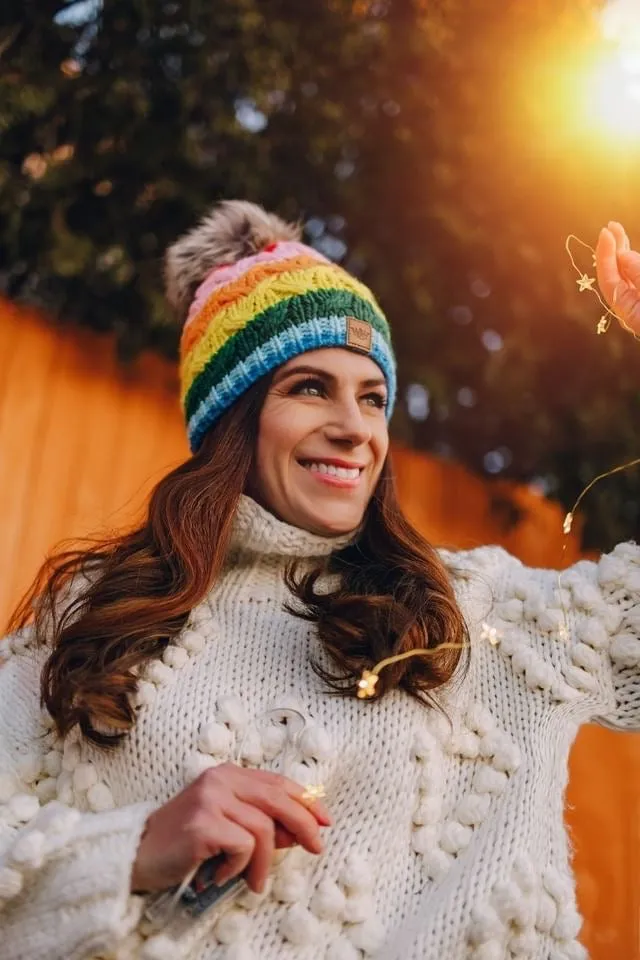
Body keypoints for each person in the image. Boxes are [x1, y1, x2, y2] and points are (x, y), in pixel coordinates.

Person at [0, 203, 638, 960]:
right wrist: (129, 848)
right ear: (233, 417)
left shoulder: (477, 612)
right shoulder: (97, 612)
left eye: (372, 397)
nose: (354, 427)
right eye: (310, 388)